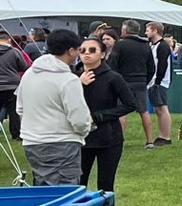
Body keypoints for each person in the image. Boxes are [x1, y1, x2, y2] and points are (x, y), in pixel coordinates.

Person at [17, 30, 92, 185]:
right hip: (62, 143)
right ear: (71, 51)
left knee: (43, 191)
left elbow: (20, 109)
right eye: (78, 49)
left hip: (32, 143)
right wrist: (83, 131)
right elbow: (79, 119)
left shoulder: (29, 74)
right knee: (64, 196)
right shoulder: (68, 79)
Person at [76, 35, 137, 192]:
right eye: (82, 50)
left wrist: (99, 116)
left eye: (92, 50)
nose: (86, 54)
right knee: (77, 183)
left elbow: (130, 104)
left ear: (102, 54)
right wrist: (78, 84)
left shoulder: (113, 77)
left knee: (105, 184)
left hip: (108, 138)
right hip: (80, 137)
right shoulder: (72, 77)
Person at [109, 20, 156, 148]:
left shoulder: (120, 45)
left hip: (123, 82)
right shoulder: (146, 45)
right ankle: (150, 141)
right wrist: (145, 80)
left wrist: (115, 81)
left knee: (122, 111)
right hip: (140, 82)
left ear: (125, 31)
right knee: (144, 111)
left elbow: (112, 64)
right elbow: (151, 67)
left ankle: (120, 141)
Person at [142, 22, 176, 147]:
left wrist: (157, 81)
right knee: (158, 108)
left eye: (147, 30)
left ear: (155, 30)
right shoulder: (154, 45)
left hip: (159, 81)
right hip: (155, 81)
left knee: (162, 108)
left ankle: (165, 136)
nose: (146, 32)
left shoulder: (162, 46)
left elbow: (163, 64)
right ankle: (162, 135)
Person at [0, 28, 31, 141]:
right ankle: (16, 134)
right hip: (12, 85)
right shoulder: (15, 52)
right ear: (8, 40)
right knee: (14, 111)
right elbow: (24, 67)